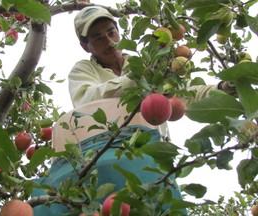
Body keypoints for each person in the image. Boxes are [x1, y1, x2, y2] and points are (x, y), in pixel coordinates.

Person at [32, 6, 233, 216]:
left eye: (111, 32)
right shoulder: (85, 70)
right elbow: (87, 99)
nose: (109, 41)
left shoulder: (143, 62)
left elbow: (184, 94)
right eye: (98, 38)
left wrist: (221, 89)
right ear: (85, 45)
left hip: (148, 154)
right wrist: (138, 77)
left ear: (119, 32)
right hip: (101, 155)